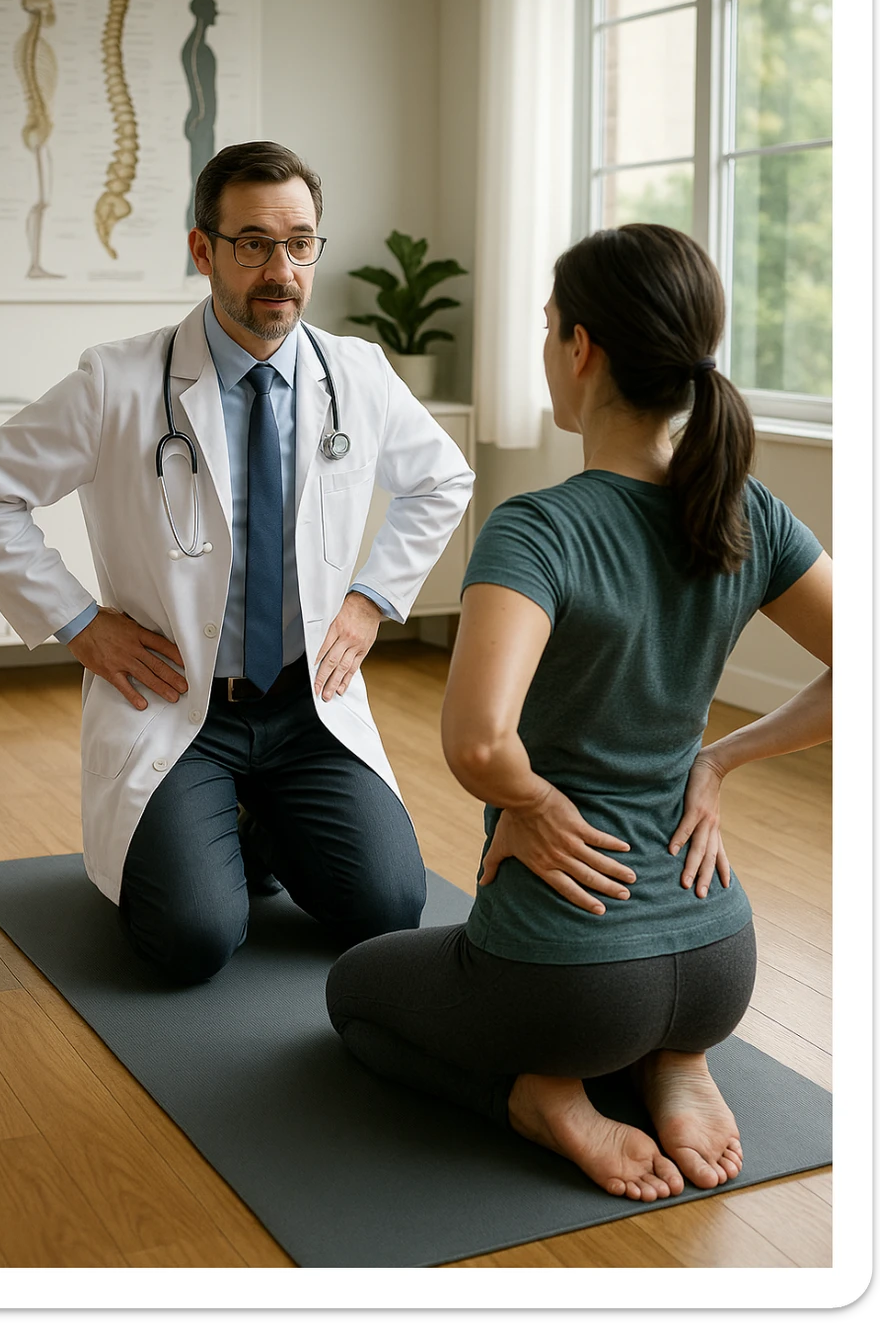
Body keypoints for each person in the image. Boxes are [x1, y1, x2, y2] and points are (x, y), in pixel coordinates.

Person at [326, 223, 832, 1202]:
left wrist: (534, 805)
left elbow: (477, 742)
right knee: (650, 1017)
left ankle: (537, 1101)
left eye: (548, 324)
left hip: (569, 981)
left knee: (357, 992)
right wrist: (716, 762)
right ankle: (677, 1061)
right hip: (719, 957)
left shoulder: (540, 527)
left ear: (581, 348)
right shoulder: (745, 511)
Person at [0, 141, 474, 984]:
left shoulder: (356, 375)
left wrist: (371, 600)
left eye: (300, 243)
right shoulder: (118, 382)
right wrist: (79, 624)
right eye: (252, 242)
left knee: (387, 910)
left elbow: (444, 480)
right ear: (203, 251)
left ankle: (258, 820)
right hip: (177, 704)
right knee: (191, 939)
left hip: (306, 704)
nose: (280, 269)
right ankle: (217, 820)